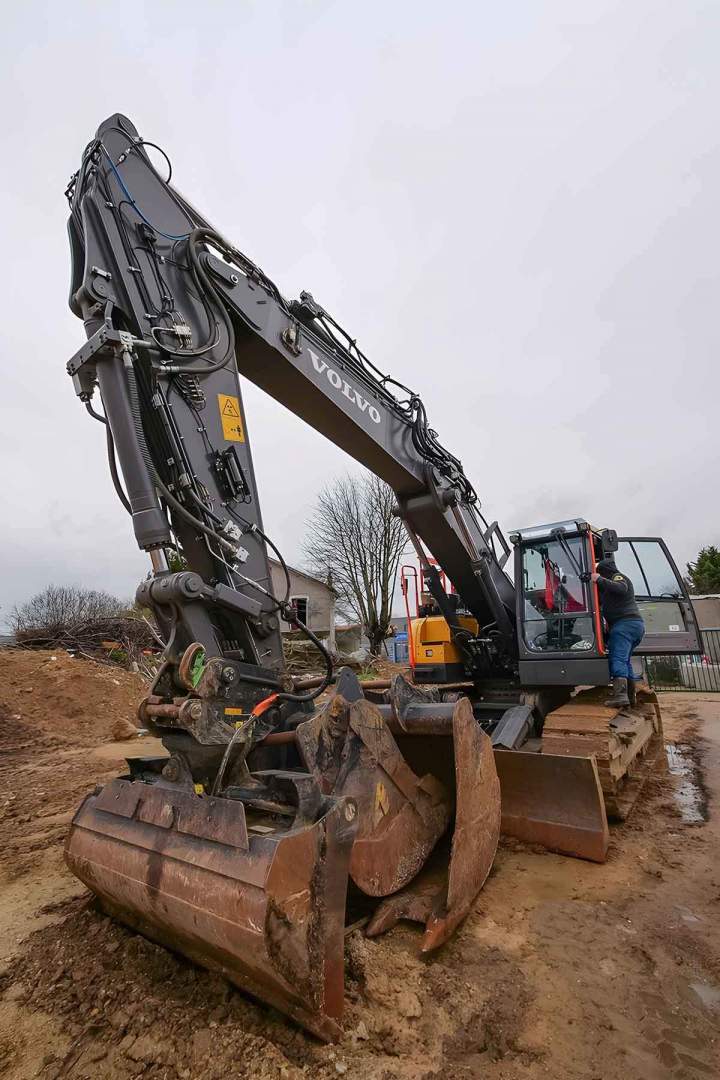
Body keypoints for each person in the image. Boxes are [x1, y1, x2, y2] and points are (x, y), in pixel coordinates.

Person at [590, 558, 645, 707]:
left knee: (618, 659)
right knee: (625, 661)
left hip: (625, 625)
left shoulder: (618, 577)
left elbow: (621, 588)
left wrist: (598, 579)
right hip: (632, 626)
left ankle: (620, 697)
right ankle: (630, 698)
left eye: (601, 572)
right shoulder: (609, 588)